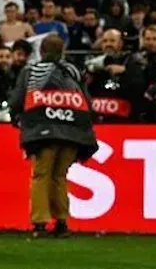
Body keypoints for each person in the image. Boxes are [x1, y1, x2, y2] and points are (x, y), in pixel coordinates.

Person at [8, 33, 98, 238]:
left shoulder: (31, 71)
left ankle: (40, 223)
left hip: (43, 131)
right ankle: (62, 222)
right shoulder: (74, 72)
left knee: (41, 175)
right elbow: (88, 103)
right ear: (62, 52)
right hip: (73, 131)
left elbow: (17, 100)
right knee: (59, 176)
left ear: (41, 51)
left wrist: (16, 118)